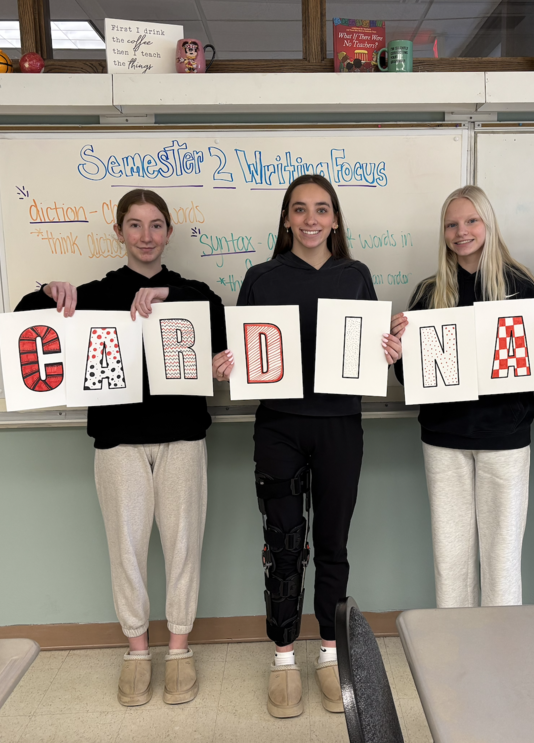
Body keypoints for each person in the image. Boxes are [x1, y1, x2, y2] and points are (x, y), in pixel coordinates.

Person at [20, 188, 227, 709]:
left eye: (156, 225)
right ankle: (137, 651)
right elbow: (26, 316)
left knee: (184, 547)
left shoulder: (191, 291)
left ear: (169, 233)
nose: (146, 236)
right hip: (117, 443)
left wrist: (168, 298)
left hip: (182, 436)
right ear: (118, 233)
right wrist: (49, 288)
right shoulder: (95, 293)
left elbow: (221, 321)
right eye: (134, 225)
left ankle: (178, 649)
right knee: (126, 551)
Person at [211, 174, 401, 718]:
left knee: (334, 543)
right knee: (285, 543)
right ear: (287, 220)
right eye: (300, 210)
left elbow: (367, 352)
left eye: (322, 210)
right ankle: (283, 656)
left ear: (335, 219)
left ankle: (329, 652)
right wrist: (228, 365)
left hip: (341, 423)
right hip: (279, 427)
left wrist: (387, 351)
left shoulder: (356, 275)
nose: (311, 219)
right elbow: (243, 352)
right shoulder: (262, 278)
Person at [390, 186, 534, 609]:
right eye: (452, 224)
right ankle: (454, 643)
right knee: (451, 553)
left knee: (502, 553)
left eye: (471, 221)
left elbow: (532, 365)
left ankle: (501, 642)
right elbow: (411, 377)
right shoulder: (428, 293)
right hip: (444, 438)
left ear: (488, 223)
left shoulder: (520, 287)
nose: (462, 232)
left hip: (505, 437)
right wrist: (399, 354)